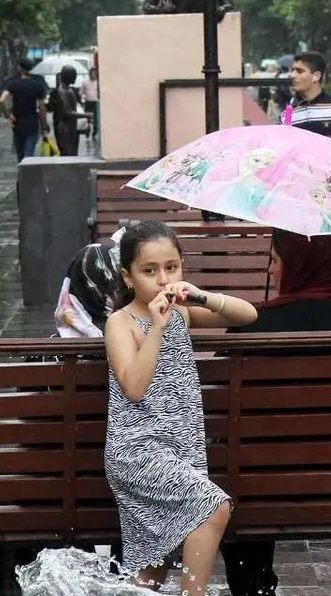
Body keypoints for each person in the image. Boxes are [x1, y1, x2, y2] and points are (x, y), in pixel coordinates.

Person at [221, 230, 331, 596]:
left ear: (299, 267)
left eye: (275, 261)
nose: (272, 272)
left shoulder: (253, 329)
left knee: (236, 464)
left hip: (263, 491)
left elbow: (225, 412)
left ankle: (253, 585)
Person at [103, 221, 257, 595]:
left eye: (171, 268)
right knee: (214, 506)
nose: (162, 279)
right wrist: (156, 327)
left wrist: (201, 296)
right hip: (137, 450)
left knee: (150, 574)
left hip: (180, 448)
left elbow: (248, 314)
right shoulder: (120, 322)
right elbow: (135, 388)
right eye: (149, 270)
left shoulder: (184, 312)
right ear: (128, 277)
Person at [0, 58, 48, 161]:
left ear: (21, 69)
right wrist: (43, 127)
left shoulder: (13, 84)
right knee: (28, 155)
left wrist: (7, 115)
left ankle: (21, 175)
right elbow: (42, 108)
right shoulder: (37, 86)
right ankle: (27, 175)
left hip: (18, 124)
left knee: (20, 155)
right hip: (32, 124)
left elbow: (1, 100)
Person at [47, 66, 82, 157]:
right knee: (67, 153)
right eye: (74, 76)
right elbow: (67, 112)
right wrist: (86, 115)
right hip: (64, 127)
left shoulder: (68, 89)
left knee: (71, 152)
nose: (75, 78)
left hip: (70, 126)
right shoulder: (62, 91)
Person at [81, 67, 100, 140]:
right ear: (89, 74)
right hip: (88, 102)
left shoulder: (98, 83)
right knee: (87, 119)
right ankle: (87, 131)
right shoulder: (85, 83)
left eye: (95, 73)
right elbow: (81, 92)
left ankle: (95, 133)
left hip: (95, 103)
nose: (93, 75)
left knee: (96, 119)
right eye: (92, 73)